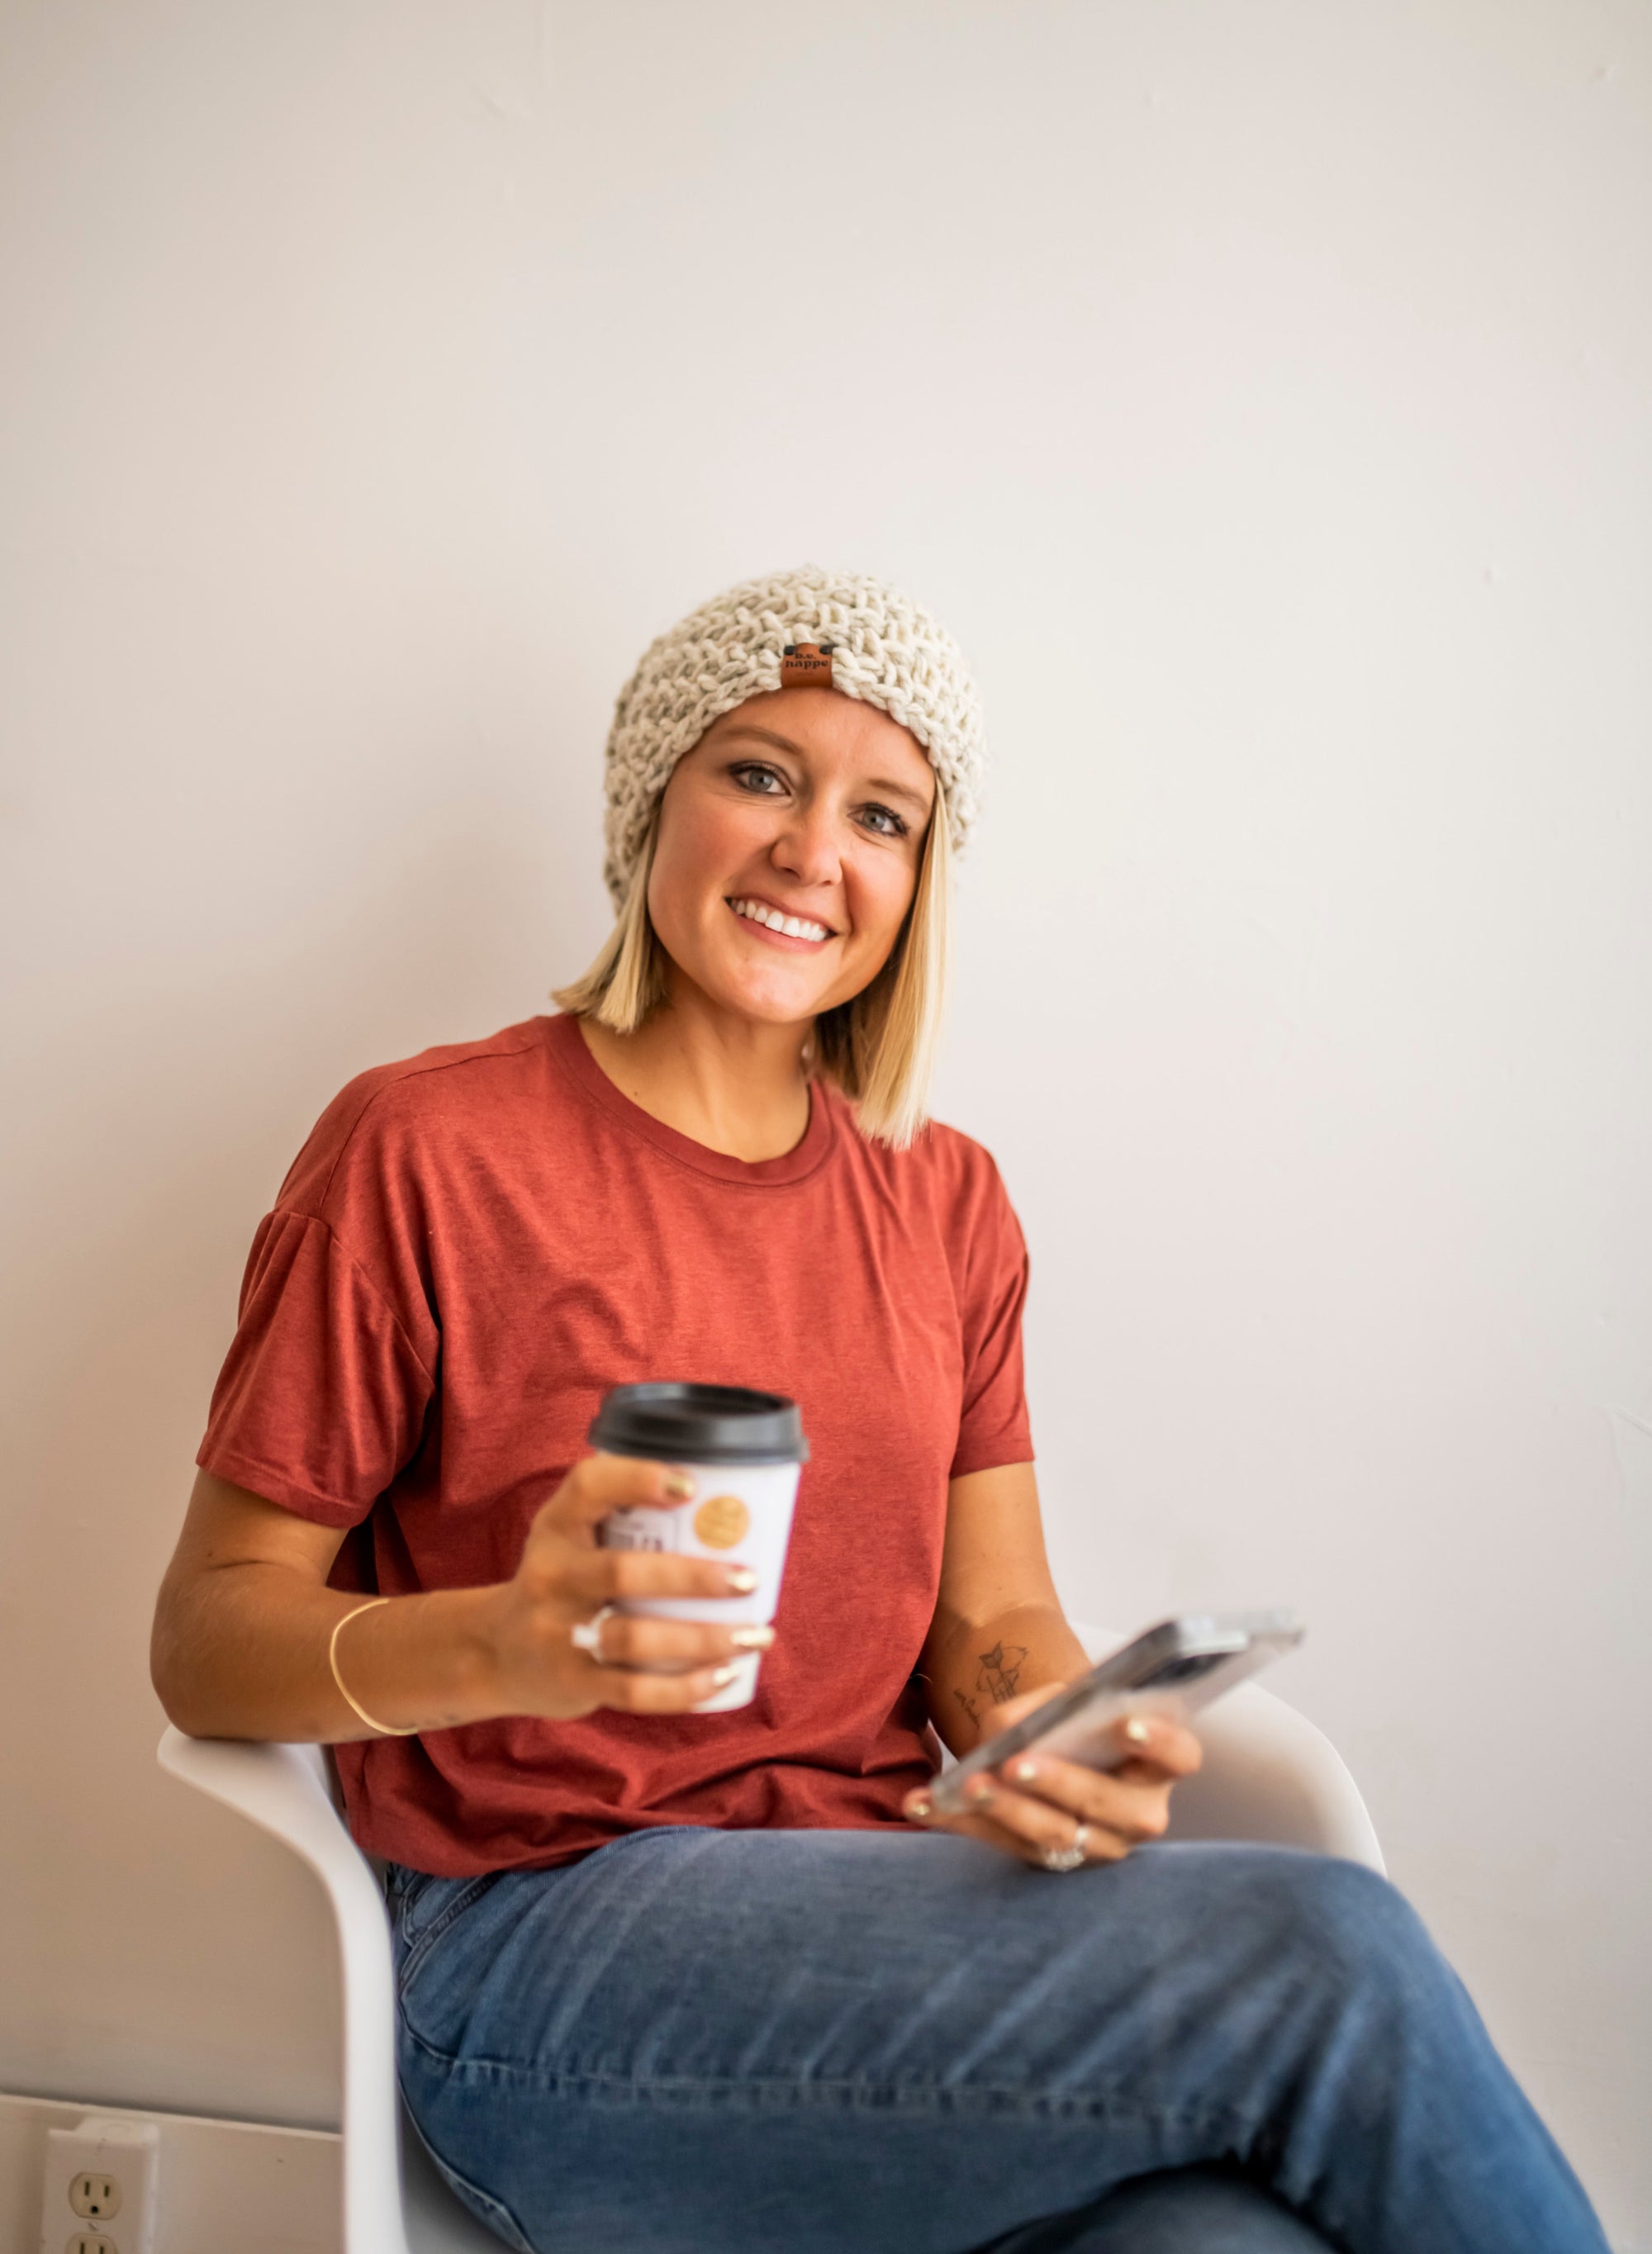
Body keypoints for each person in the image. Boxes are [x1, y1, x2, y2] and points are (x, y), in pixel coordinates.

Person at [151, 567, 1607, 2254]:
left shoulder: (946, 1202)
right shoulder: (427, 1150)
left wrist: (1048, 1735)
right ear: (652, 802)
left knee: (1228, 2241)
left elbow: (992, 1619)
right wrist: (504, 1643)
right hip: (545, 1959)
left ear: (917, 884)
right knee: (1323, 1951)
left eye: (881, 816)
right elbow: (208, 1636)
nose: (810, 851)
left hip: (879, 1917)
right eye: (758, 774)